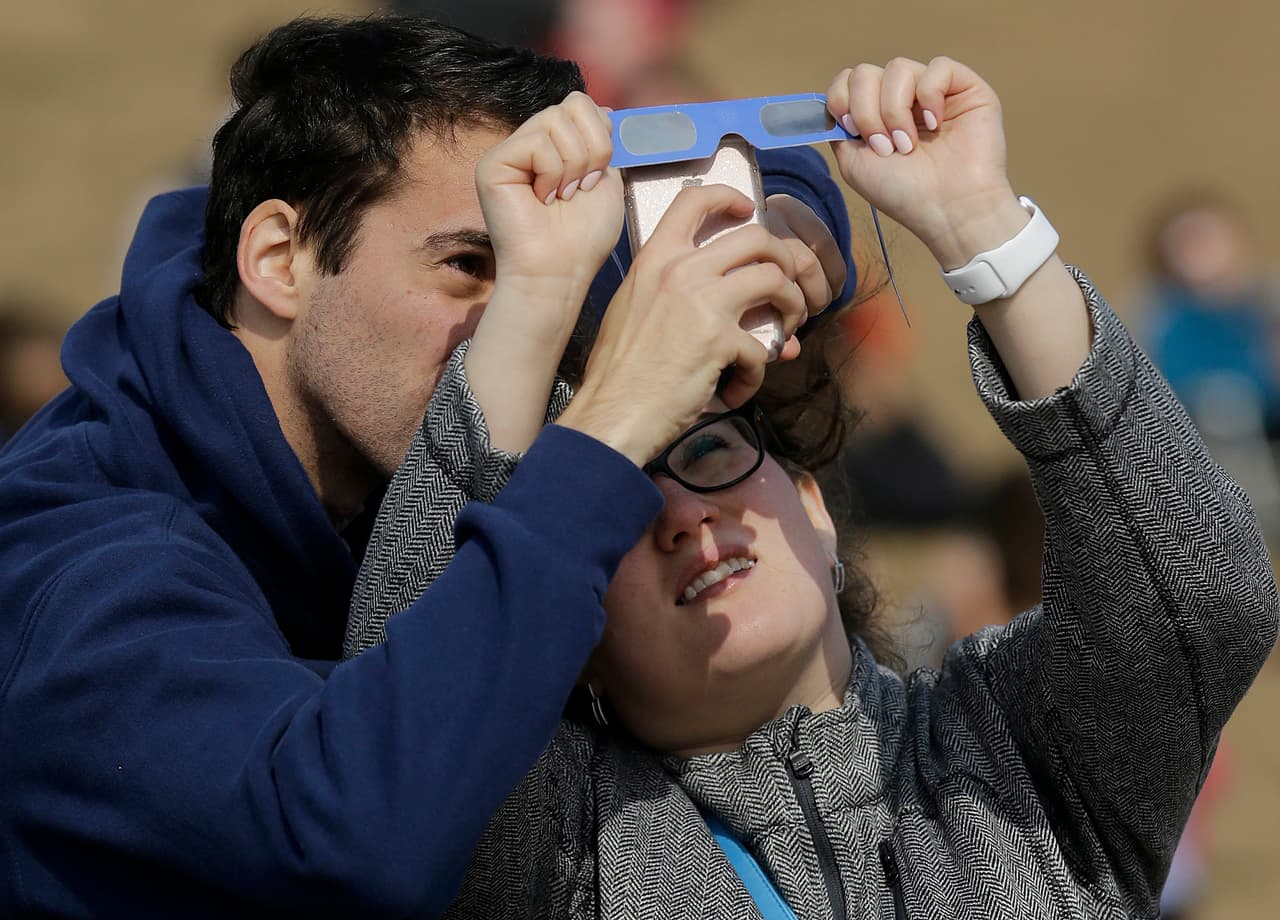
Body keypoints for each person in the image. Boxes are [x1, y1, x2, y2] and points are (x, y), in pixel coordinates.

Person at [346, 57, 1280, 918]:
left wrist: (984, 232)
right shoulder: (555, 853)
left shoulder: (1014, 751)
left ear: (818, 508)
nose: (677, 513)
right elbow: (413, 728)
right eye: (614, 503)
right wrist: (536, 303)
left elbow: (1201, 598)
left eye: (711, 455)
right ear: (570, 624)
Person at [0, 15, 856, 918]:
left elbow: (722, 191)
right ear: (278, 260)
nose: (528, 326)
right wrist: (608, 427)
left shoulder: (357, 374)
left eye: (533, 272)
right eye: (469, 267)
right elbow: (357, 847)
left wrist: (796, 221)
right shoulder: (72, 570)